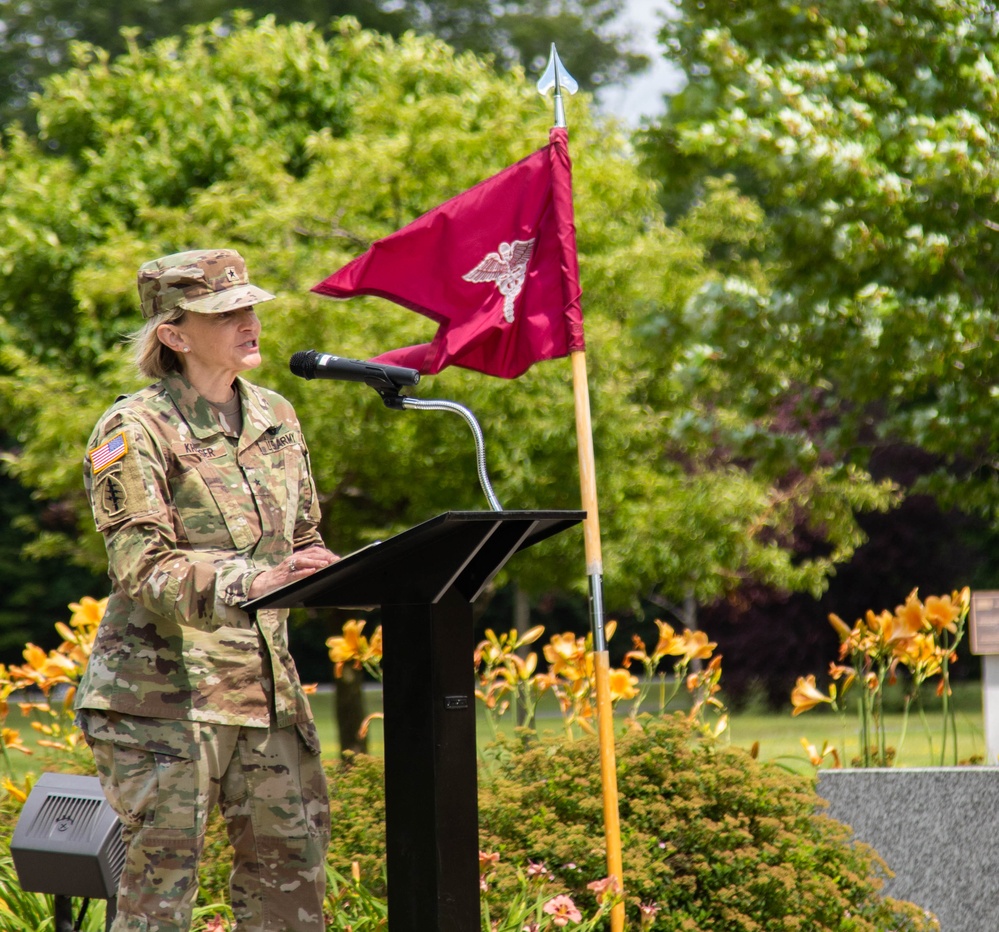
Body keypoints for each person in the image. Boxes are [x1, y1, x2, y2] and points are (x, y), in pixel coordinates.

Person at [75, 248, 338, 932]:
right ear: (173, 334)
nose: (248, 322)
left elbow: (303, 537)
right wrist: (256, 579)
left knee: (292, 884)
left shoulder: (276, 416)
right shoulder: (133, 429)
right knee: (158, 901)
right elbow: (144, 566)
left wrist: (331, 569)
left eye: (249, 307)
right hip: (161, 703)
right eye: (225, 313)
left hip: (267, 695)